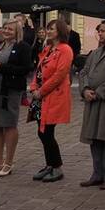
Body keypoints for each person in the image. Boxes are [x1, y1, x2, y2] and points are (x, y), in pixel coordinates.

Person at [0, 19, 32, 177]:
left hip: (9, 90)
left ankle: (8, 162)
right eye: (4, 28)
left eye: (10, 29)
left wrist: (1, 68)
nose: (6, 31)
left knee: (9, 123)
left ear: (17, 31)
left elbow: (25, 68)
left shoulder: (22, 47)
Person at [78, 20, 105, 190]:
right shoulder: (95, 52)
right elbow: (83, 72)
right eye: (99, 31)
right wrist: (85, 89)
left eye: (103, 30)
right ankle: (97, 173)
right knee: (94, 138)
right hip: (92, 101)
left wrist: (99, 92)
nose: (100, 34)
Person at [30, 18, 74, 183]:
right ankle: (50, 164)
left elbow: (59, 75)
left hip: (53, 96)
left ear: (60, 31)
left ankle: (56, 166)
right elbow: (39, 70)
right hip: (41, 96)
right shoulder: (48, 48)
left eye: (52, 29)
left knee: (46, 132)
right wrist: (34, 87)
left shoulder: (65, 50)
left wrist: (41, 91)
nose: (48, 32)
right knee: (42, 132)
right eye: (48, 29)